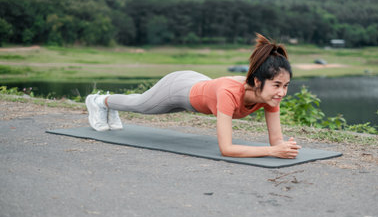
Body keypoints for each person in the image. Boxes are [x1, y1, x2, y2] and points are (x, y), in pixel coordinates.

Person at [85, 33, 301, 159]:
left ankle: (108, 106)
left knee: (140, 101)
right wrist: (273, 151)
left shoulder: (270, 96)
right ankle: (99, 101)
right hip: (177, 89)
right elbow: (226, 149)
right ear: (257, 82)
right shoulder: (230, 93)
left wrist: (284, 147)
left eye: (286, 86)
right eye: (277, 85)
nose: (282, 92)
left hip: (198, 84)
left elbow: (276, 141)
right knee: (140, 104)